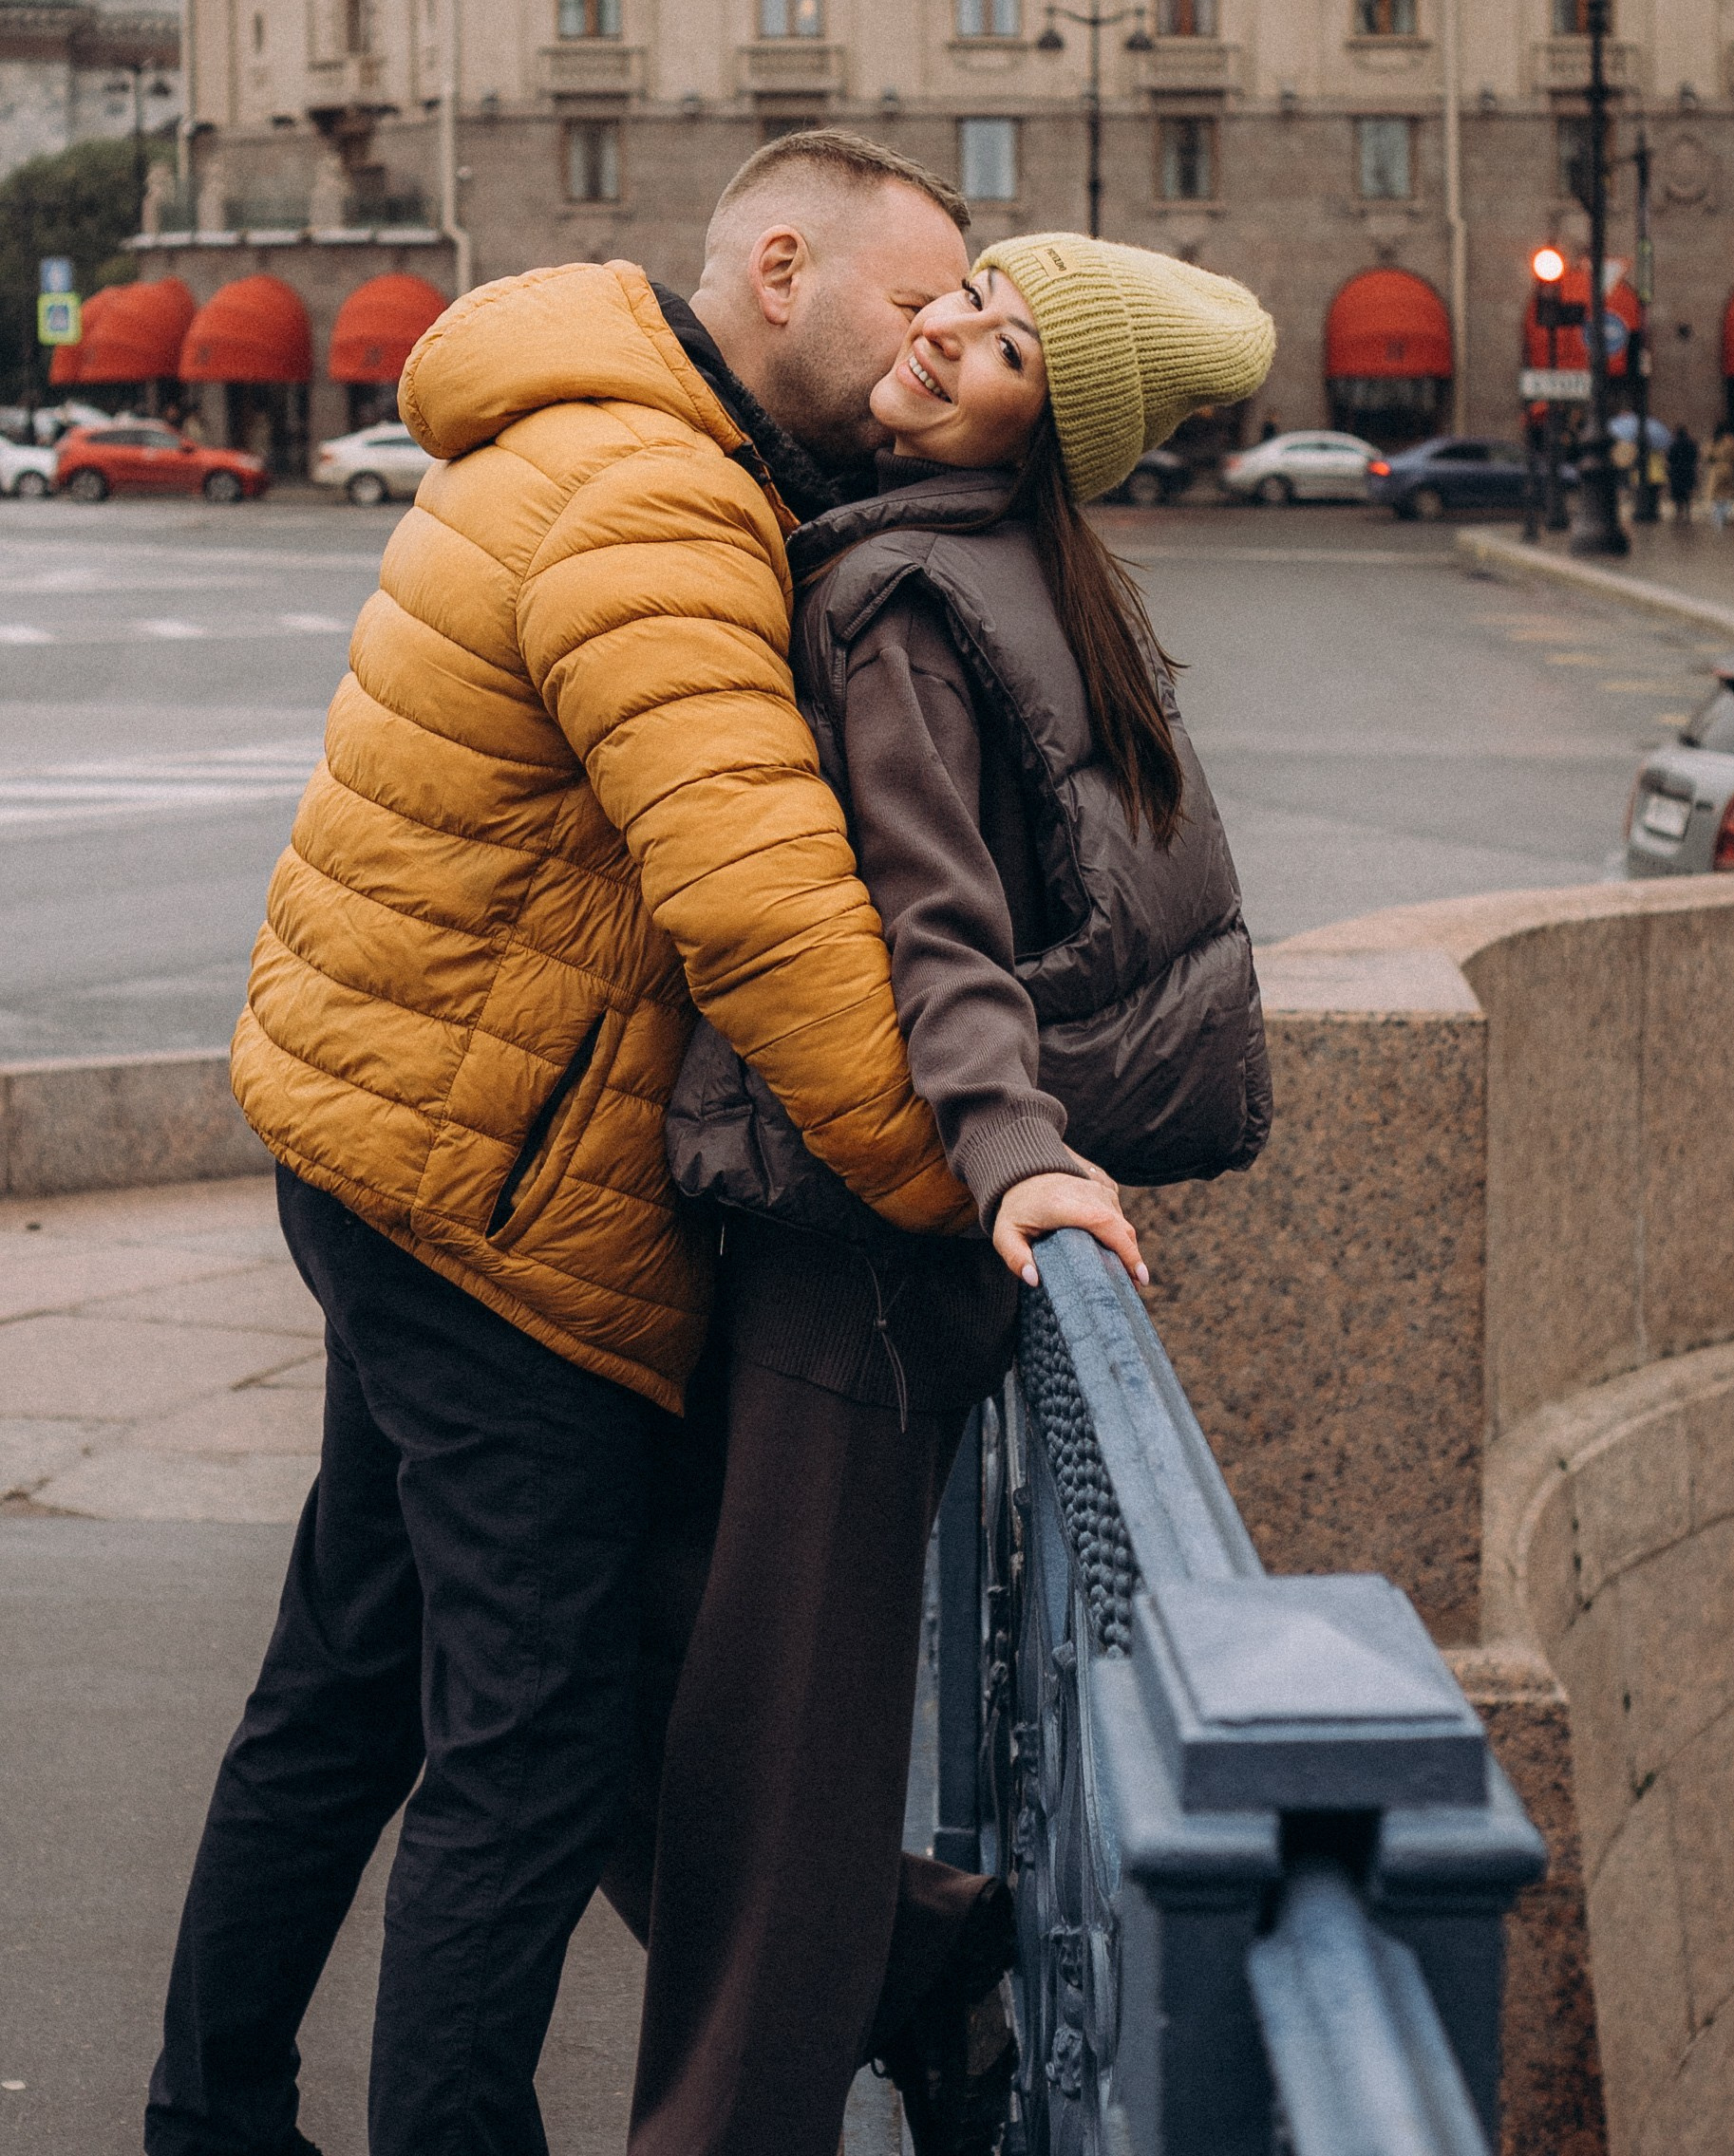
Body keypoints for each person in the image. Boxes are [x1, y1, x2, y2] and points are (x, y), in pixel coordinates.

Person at [144, 130, 1108, 2156]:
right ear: (779, 264)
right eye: (913, 292)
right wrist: (967, 1182)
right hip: (496, 1204)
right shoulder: (660, 499)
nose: (939, 327)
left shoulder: (615, 430)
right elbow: (764, 910)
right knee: (527, 1736)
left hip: (397, 1138)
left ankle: (209, 2111)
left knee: (347, 1677)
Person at [612, 234, 1276, 2156]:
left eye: (1003, 349)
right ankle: (934, 1957)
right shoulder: (1007, 570)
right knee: (721, 1710)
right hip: (890, 1248)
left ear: (1038, 425)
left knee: (781, 1761)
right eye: (971, 293)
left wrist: (1006, 1145)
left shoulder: (903, 587)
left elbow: (939, 925)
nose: (948, 338)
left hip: (862, 1250)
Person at [1666, 420, 1699, 521]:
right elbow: (1695, 456)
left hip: (1676, 472)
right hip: (1688, 471)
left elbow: (1670, 457)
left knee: (1677, 494)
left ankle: (1679, 512)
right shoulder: (1691, 443)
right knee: (1687, 493)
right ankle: (1688, 512)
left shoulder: (1674, 444)